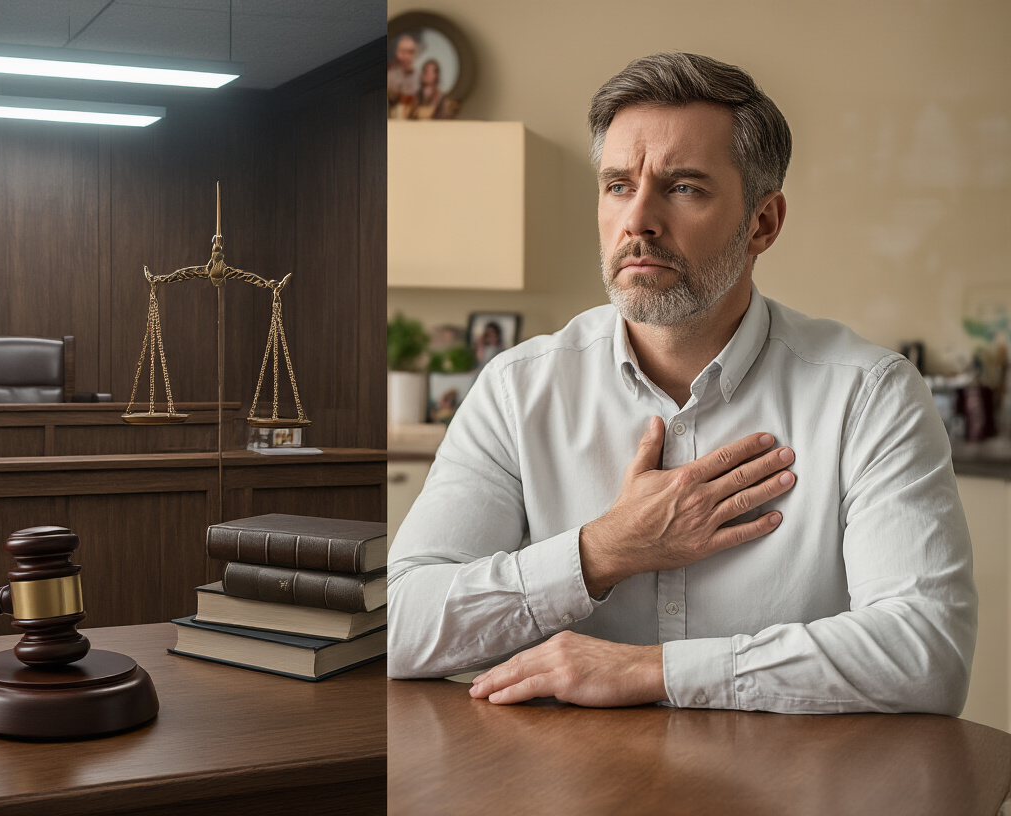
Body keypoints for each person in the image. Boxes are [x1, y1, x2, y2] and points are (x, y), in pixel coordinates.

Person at [386, 52, 977, 716]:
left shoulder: (871, 397)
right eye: (617, 185)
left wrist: (655, 672)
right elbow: (400, 628)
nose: (638, 220)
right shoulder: (516, 391)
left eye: (684, 187)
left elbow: (928, 655)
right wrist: (603, 550)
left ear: (763, 223)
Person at [387, 34, 420, 118]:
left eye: (410, 52)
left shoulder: (421, 76)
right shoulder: (390, 75)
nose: (407, 56)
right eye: (403, 51)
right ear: (397, 52)